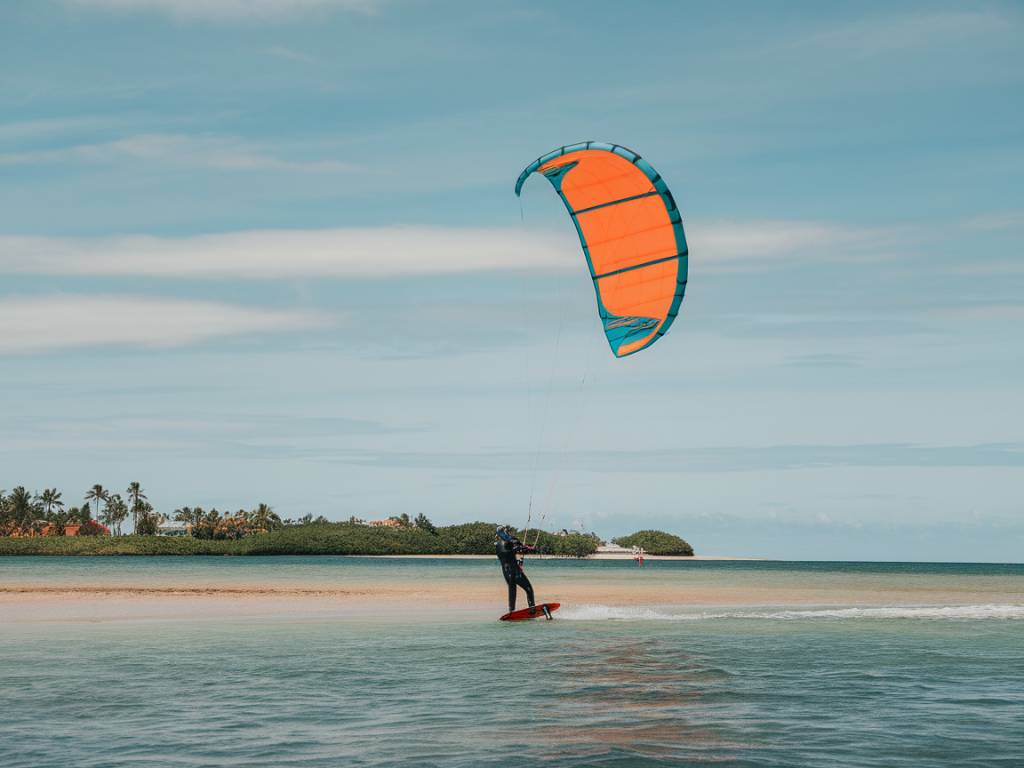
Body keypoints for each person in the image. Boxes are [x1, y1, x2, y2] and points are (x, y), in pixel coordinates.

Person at [495, 525, 536, 613]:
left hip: (511, 572)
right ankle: (525, 610)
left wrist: (527, 548)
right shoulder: (501, 544)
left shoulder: (506, 542)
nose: (506, 533)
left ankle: (517, 610)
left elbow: (517, 549)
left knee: (519, 591)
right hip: (512, 572)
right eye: (505, 531)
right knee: (522, 590)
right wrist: (520, 548)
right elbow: (508, 551)